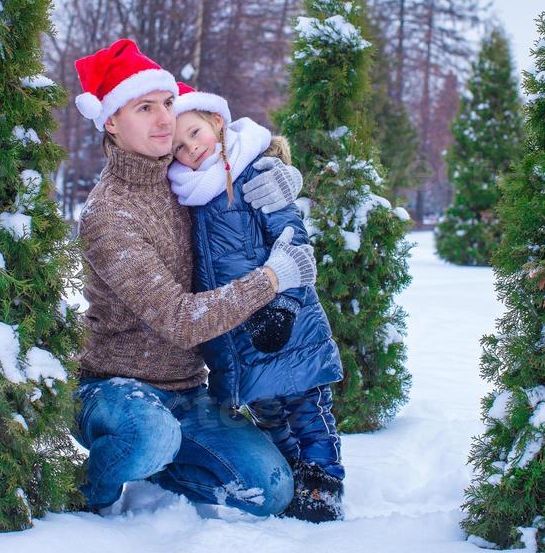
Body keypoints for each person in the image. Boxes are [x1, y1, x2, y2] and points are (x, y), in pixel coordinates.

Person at [72, 38, 316, 517]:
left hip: (187, 391)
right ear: (113, 123)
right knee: (148, 433)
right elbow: (179, 320)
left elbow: (236, 153)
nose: (166, 120)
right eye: (145, 108)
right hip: (114, 391)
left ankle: (161, 462)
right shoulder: (109, 214)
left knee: (270, 490)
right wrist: (271, 279)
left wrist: (283, 179)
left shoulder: (182, 178)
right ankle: (87, 491)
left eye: (167, 103)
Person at [168, 84, 345, 522]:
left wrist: (283, 306)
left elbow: (292, 238)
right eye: (178, 146)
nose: (191, 148)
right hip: (238, 336)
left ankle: (322, 484)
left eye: (194, 132)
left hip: (288, 320)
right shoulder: (186, 193)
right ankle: (292, 474)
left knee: (308, 409)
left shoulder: (254, 171)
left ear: (216, 121)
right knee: (268, 413)